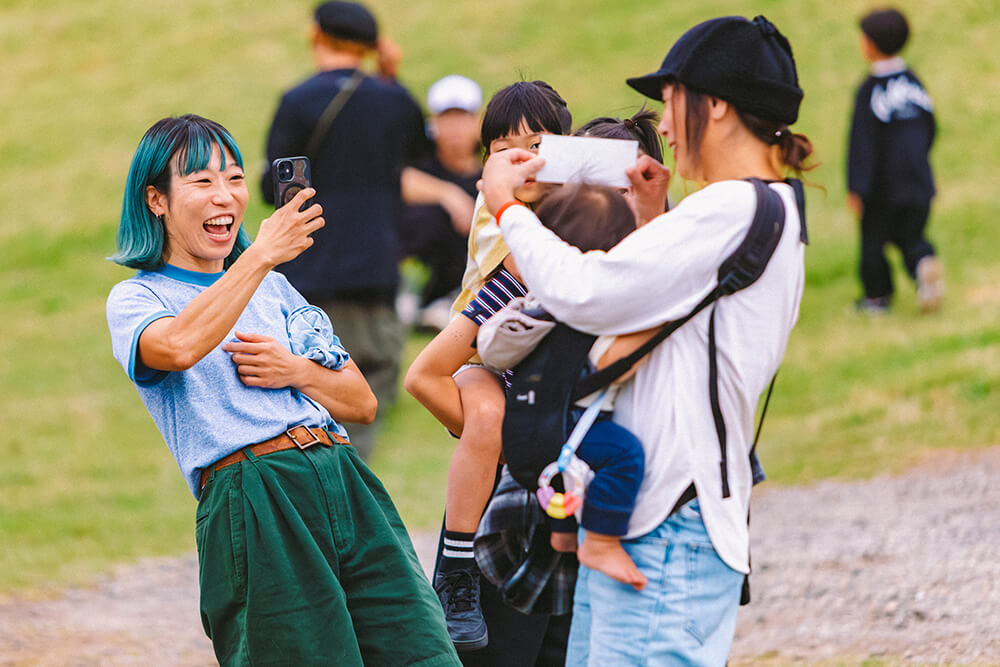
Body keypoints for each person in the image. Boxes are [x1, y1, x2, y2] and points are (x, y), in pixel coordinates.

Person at [479, 14, 812, 664]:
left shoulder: (728, 209)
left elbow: (584, 290)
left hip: (667, 523)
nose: (666, 127)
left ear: (716, 105)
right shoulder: (766, 206)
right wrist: (652, 219)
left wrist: (507, 207)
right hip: (660, 520)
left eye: (670, 101)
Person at [107, 114, 459, 666]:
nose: (225, 195)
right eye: (202, 181)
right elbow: (177, 348)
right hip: (255, 493)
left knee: (422, 651)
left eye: (235, 178)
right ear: (157, 200)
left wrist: (295, 370)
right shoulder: (138, 298)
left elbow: (361, 402)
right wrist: (259, 256)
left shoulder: (275, 288)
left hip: (344, 478)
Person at [260, 1, 471, 460]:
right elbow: (417, 156)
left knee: (302, 418)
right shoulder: (393, 101)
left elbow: (270, 187)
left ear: (317, 36)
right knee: (360, 409)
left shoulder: (297, 102)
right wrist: (390, 77)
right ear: (373, 47)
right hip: (376, 277)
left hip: (307, 281)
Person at [404, 80, 570, 654]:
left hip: (542, 371)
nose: (521, 160)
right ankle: (456, 565)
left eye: (537, 145)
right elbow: (526, 269)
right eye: (503, 150)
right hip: (483, 355)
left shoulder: (570, 202)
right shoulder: (496, 207)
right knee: (489, 420)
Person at [848, 7, 943, 314]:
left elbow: (862, 143)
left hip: (882, 187)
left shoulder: (870, 90)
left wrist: (857, 187)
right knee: (911, 236)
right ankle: (923, 263)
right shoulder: (914, 83)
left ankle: (876, 297)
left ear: (870, 44)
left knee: (873, 242)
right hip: (918, 181)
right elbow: (930, 127)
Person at [399, 74, 484, 331]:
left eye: (463, 118)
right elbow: (397, 181)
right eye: (447, 119)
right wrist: (448, 195)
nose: (455, 129)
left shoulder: (489, 172)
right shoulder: (420, 165)